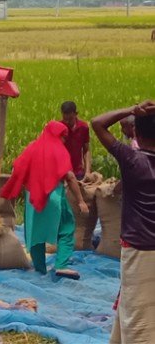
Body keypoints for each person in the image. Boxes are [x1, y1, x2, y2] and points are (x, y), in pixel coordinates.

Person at [91, 100, 155, 344]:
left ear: (136, 132)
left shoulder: (132, 160)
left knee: (138, 319)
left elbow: (97, 123)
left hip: (139, 249)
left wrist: (131, 109)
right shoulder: (135, 159)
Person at [0, 121, 89, 279]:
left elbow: (17, 168)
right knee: (66, 228)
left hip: (32, 198)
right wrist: (80, 200)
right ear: (58, 135)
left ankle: (40, 268)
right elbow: (70, 176)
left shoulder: (32, 147)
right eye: (63, 136)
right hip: (53, 196)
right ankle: (61, 265)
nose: (64, 140)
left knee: (35, 233)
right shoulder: (59, 150)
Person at [60, 101, 92, 179]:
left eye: (70, 119)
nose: (67, 122)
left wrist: (87, 171)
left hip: (78, 171)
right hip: (62, 171)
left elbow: (86, 150)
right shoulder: (59, 128)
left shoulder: (83, 127)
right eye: (65, 119)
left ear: (75, 114)